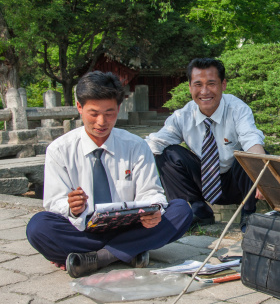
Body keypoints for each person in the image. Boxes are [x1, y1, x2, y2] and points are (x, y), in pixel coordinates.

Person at [26, 71, 193, 278]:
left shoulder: (136, 146)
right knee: (38, 227)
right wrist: (72, 207)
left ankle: (98, 258)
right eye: (93, 113)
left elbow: (151, 192)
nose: (102, 122)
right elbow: (53, 203)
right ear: (79, 107)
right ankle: (128, 251)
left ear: (119, 109)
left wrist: (154, 210)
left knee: (181, 211)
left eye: (110, 113)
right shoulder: (59, 150)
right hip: (83, 229)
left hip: (130, 226)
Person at [145, 58, 266, 230]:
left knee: (250, 157)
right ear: (190, 87)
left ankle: (248, 215)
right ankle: (196, 211)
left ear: (223, 85)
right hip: (205, 179)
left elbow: (251, 139)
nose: (204, 91)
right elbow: (154, 143)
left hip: (236, 182)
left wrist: (263, 175)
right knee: (168, 153)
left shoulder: (238, 109)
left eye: (211, 84)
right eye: (198, 84)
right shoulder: (183, 116)